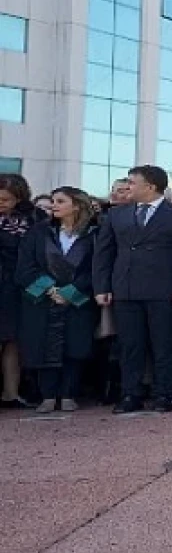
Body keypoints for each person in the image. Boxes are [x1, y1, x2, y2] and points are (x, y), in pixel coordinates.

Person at [93, 165, 172, 413]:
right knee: (129, 345)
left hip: (164, 288)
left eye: (132, 183)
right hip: (125, 288)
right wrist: (102, 286)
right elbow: (104, 254)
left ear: (150, 186)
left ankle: (163, 394)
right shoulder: (116, 215)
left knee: (164, 343)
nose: (128, 187)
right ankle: (130, 394)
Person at [15, 187, 100, 413]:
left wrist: (70, 293)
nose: (54, 205)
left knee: (75, 346)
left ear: (76, 205)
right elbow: (25, 267)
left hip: (78, 299)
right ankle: (48, 395)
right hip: (42, 299)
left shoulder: (93, 233)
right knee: (43, 345)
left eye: (60, 201)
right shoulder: (38, 232)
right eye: (53, 201)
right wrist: (50, 289)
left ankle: (69, 393)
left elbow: (97, 268)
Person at [0, 174, 42, 408]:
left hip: (18, 288)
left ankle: (11, 392)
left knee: (14, 341)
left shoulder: (34, 219)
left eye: (6, 199)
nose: (1, 204)